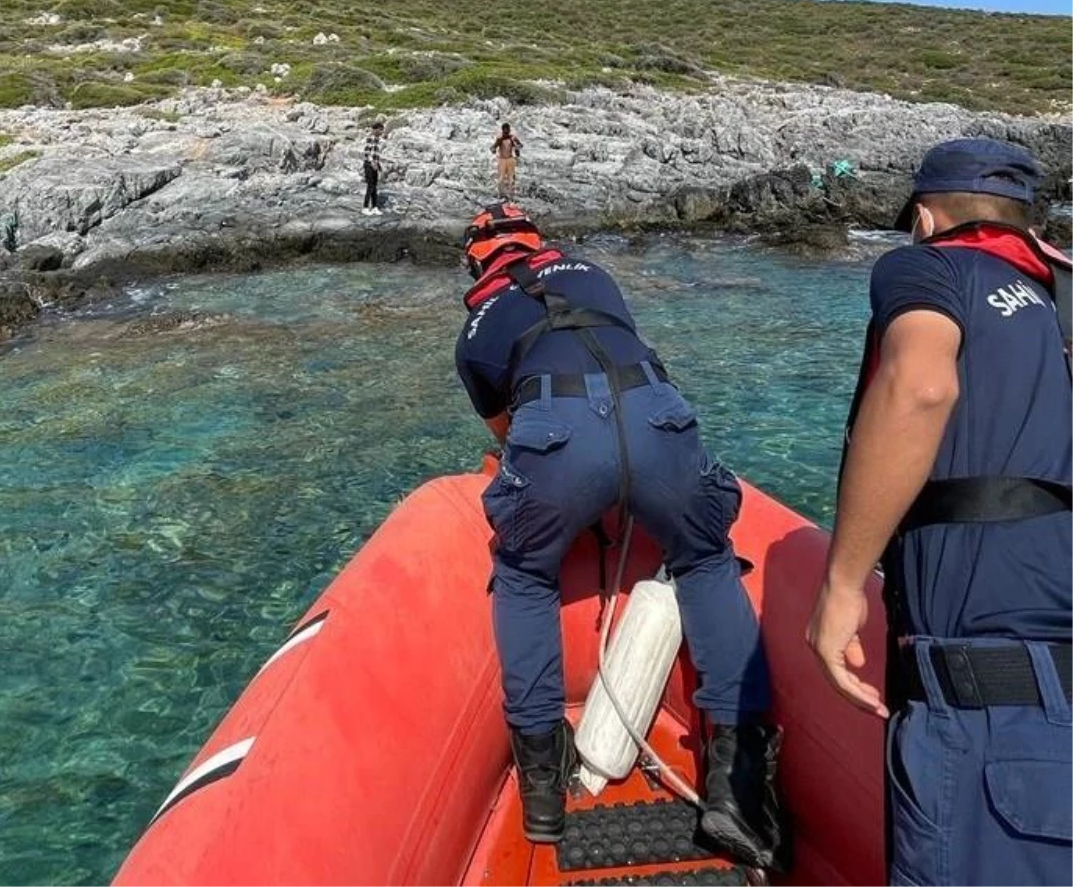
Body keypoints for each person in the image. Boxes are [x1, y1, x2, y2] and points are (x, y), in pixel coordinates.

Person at [454, 203, 788, 866]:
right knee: (704, 559)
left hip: (556, 429)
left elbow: (505, 434)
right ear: (540, 244)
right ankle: (739, 785)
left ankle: (544, 793)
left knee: (523, 575)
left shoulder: (474, 335)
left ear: (475, 261)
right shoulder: (594, 274)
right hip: (654, 413)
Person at [807, 138, 1073, 886]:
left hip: (988, 696)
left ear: (924, 219)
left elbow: (920, 386)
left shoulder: (926, 266)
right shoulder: (1064, 293)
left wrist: (843, 583)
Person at [492, 122, 522, 198]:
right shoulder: (500, 139)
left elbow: (520, 145)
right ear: (502, 131)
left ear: (509, 130)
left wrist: (517, 148)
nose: (506, 132)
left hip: (510, 159)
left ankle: (512, 194)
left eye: (507, 131)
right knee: (501, 179)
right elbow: (493, 147)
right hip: (502, 159)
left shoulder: (512, 138)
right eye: (504, 131)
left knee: (511, 178)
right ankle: (501, 194)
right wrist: (494, 150)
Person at [362, 121, 384, 215]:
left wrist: (378, 165)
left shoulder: (377, 139)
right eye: (380, 130)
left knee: (374, 186)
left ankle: (375, 207)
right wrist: (372, 162)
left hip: (374, 165)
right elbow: (367, 152)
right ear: (376, 129)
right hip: (369, 165)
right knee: (370, 186)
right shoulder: (370, 138)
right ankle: (365, 207)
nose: (381, 132)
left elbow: (375, 154)